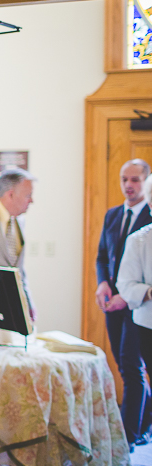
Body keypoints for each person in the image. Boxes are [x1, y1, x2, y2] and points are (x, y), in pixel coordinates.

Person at [97, 159, 152, 447]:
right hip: (113, 305)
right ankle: (144, 424)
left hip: (139, 307)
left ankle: (127, 437)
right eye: (124, 179)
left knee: (132, 368)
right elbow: (103, 257)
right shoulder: (113, 215)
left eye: (135, 180)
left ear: (146, 182)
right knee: (122, 365)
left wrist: (125, 296)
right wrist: (103, 283)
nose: (129, 185)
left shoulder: (150, 221)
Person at [0, 167, 37, 320]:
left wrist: (28, 303)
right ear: (10, 195)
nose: (32, 200)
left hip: (13, 311)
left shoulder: (20, 221)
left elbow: (19, 269)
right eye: (28, 195)